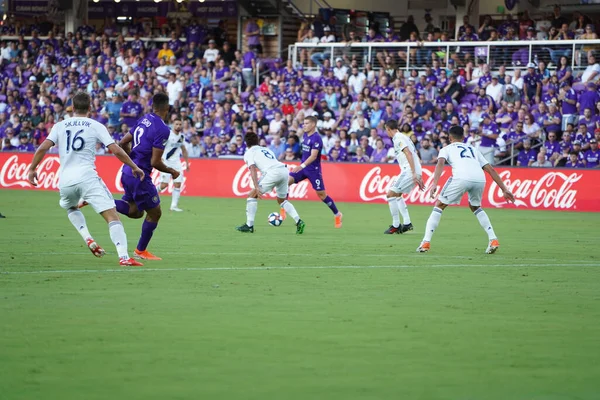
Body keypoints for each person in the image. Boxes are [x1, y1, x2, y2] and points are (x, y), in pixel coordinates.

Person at [26, 91, 143, 267]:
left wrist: (32, 168)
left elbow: (43, 147)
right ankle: (124, 257)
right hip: (87, 177)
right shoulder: (95, 125)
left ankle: (87, 237)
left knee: (71, 207)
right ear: (90, 108)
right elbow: (116, 150)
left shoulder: (60, 126)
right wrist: (134, 166)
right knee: (112, 217)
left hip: (65, 180)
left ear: (72, 108)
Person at [417, 125, 515, 254]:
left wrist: (435, 183)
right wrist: (504, 189)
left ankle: (425, 242)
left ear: (450, 137)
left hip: (461, 177)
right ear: (463, 137)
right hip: (480, 179)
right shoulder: (474, 149)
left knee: (439, 205)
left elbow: (440, 163)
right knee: (476, 207)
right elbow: (490, 169)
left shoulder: (446, 148)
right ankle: (493, 239)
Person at [115, 93, 180, 261]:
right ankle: (141, 251)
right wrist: (172, 171)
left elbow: (122, 143)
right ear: (167, 108)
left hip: (128, 171)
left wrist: (131, 162)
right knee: (155, 213)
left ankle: (101, 200)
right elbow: (155, 161)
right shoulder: (163, 129)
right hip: (141, 175)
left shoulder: (144, 119)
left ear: (153, 106)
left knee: (135, 211)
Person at [236, 132, 305, 234]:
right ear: (258, 141)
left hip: (272, 173)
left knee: (251, 195)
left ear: (246, 143)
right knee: (281, 200)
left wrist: (256, 187)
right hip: (284, 170)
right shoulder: (266, 149)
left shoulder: (249, 153)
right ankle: (298, 221)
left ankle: (249, 225)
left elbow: (252, 169)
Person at [284, 115, 343, 228]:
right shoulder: (305, 135)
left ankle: (337, 214)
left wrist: (301, 166)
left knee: (321, 195)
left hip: (313, 170)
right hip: (303, 168)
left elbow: (313, 156)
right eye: (304, 123)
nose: (304, 125)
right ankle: (283, 210)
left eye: (306, 123)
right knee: (286, 182)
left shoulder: (317, 138)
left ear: (313, 125)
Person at [383, 120, 425, 234]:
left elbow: (408, 153)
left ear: (388, 129)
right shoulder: (403, 137)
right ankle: (407, 223)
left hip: (409, 170)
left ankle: (396, 225)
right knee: (397, 195)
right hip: (412, 169)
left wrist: (414, 173)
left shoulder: (398, 138)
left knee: (390, 194)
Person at [157, 119, 190, 212]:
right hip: (166, 162)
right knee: (164, 185)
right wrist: (159, 158)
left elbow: (183, 150)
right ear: (172, 125)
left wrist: (187, 163)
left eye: (180, 124)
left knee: (178, 184)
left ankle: (174, 206)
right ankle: (151, 196)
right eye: (176, 124)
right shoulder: (167, 135)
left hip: (177, 163)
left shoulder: (182, 137)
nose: (178, 126)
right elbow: (159, 147)